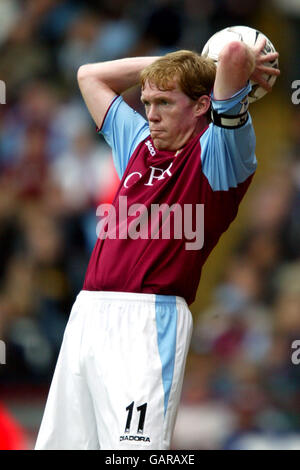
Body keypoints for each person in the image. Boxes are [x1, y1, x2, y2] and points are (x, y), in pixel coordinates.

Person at [35, 38, 280, 450]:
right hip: (88, 314)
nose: (150, 114)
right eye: (146, 102)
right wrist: (174, 69)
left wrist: (208, 68)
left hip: (149, 321)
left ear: (202, 105)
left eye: (164, 102)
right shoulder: (137, 143)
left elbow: (236, 54)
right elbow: (88, 75)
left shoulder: (220, 154)